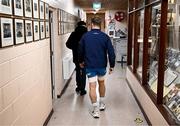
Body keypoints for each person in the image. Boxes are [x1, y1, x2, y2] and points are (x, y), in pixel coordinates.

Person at [79, 17, 115, 118]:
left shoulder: (85, 36)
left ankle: (95, 110)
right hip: (101, 66)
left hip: (90, 66)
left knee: (92, 86)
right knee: (102, 83)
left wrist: (81, 61)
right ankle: (102, 104)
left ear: (91, 24)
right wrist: (112, 65)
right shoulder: (105, 37)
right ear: (101, 24)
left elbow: (80, 50)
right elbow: (111, 53)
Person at [66, 21, 87, 95]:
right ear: (84, 25)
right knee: (83, 72)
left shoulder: (73, 34)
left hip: (76, 56)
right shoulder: (86, 34)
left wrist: (74, 48)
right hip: (84, 56)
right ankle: (83, 89)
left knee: (78, 71)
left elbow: (68, 44)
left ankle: (78, 87)